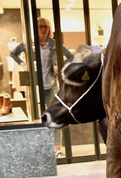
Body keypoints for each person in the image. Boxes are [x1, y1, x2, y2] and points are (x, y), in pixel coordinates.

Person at [10, 17, 74, 153]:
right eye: (40, 26)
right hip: (35, 86)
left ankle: (57, 148)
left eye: (45, 27)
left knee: (55, 115)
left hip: (51, 85)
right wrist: (24, 64)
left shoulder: (53, 44)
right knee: (36, 117)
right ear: (35, 28)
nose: (43, 29)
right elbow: (13, 53)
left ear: (49, 29)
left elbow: (70, 56)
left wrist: (59, 68)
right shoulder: (29, 43)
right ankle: (40, 149)